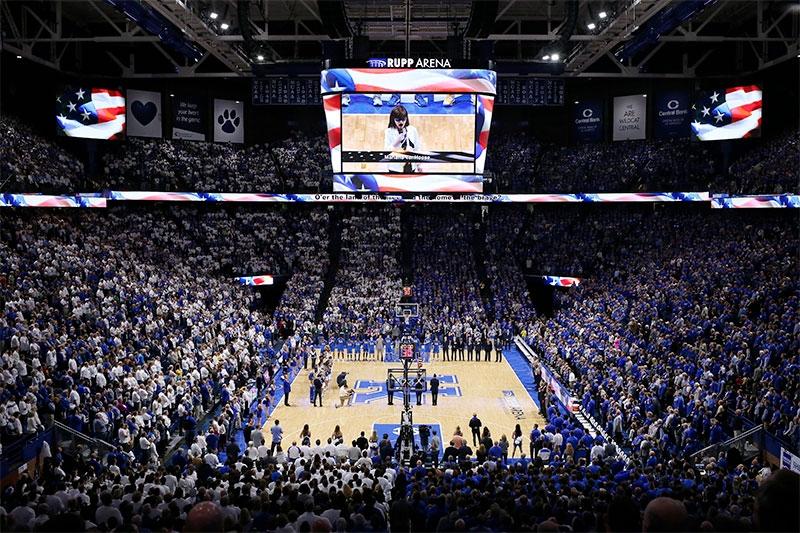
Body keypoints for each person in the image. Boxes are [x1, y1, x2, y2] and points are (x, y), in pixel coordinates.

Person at [384, 104, 423, 173]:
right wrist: (396, 143)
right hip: (395, 168)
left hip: (411, 167)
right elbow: (386, 153)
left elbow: (417, 148)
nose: (401, 122)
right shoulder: (389, 132)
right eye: (398, 120)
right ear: (393, 119)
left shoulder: (412, 130)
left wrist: (419, 165)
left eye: (403, 119)